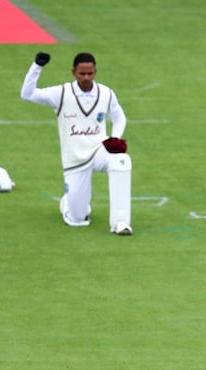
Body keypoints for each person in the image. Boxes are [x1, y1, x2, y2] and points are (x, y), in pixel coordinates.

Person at [20, 52, 133, 235]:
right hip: (75, 159)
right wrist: (37, 67)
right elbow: (27, 94)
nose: (86, 78)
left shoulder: (106, 93)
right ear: (73, 72)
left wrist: (115, 138)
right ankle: (69, 203)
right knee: (77, 219)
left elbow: (119, 117)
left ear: (95, 71)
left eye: (90, 73)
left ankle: (121, 222)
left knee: (121, 161)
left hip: (98, 150)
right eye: (82, 74)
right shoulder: (61, 93)